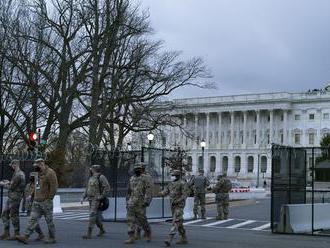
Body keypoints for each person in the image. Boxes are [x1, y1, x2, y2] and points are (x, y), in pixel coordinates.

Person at [16, 158, 58, 244]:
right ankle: (26, 236)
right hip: (36, 201)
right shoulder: (37, 174)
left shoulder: (50, 173)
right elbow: (36, 185)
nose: (35, 168)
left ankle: (52, 237)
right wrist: (31, 195)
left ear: (42, 164)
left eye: (37, 166)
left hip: (46, 201)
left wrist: (49, 198)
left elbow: (54, 187)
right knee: (32, 219)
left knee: (49, 220)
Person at [159, 170, 189, 247]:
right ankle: (184, 237)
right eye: (173, 175)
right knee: (179, 222)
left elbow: (185, 195)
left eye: (175, 175)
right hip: (172, 205)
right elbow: (166, 191)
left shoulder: (183, 183)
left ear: (178, 175)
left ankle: (169, 238)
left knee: (176, 220)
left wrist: (178, 201)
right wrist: (161, 193)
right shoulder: (170, 183)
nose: (174, 176)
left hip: (179, 205)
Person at [124, 163, 152, 244]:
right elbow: (129, 191)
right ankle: (131, 237)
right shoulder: (131, 178)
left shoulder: (145, 178)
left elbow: (148, 190)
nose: (137, 171)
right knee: (130, 220)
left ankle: (148, 232)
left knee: (142, 220)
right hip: (131, 203)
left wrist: (147, 201)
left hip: (141, 203)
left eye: (138, 169)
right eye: (135, 169)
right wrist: (127, 201)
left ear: (141, 170)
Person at [81, 164, 110, 239]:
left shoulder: (101, 177)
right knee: (96, 218)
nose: (90, 170)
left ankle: (89, 233)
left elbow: (107, 188)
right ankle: (102, 230)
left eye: (91, 169)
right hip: (90, 199)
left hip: (97, 200)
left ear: (94, 169)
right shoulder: (91, 178)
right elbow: (87, 189)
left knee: (92, 215)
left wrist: (101, 197)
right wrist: (83, 197)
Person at [0, 160, 25, 240]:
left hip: (15, 197)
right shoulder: (18, 173)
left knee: (14, 215)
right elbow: (14, 184)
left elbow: (11, 187)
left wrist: (3, 184)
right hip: (12, 197)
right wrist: (8, 182)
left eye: (11, 165)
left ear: (15, 165)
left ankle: (16, 234)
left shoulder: (18, 174)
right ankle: (6, 233)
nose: (11, 166)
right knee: (4, 214)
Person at [134, 163, 153, 240]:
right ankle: (143, 231)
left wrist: (147, 200)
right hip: (135, 199)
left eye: (141, 167)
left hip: (142, 200)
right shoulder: (135, 176)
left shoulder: (147, 177)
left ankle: (139, 232)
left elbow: (149, 189)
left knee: (141, 217)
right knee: (137, 217)